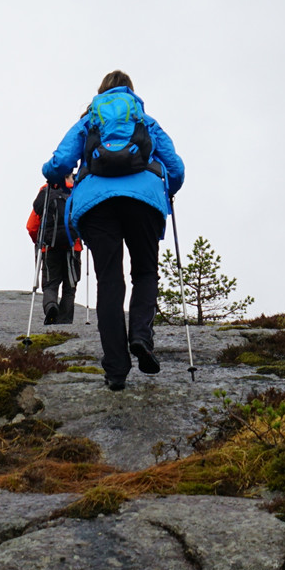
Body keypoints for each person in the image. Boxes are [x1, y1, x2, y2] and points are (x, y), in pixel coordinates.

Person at [42, 70, 185, 390]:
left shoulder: (90, 119)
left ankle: (116, 369)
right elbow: (175, 168)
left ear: (101, 91)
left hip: (96, 205)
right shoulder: (144, 119)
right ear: (131, 92)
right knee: (145, 272)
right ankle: (141, 338)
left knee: (110, 279)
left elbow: (60, 163)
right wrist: (166, 190)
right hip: (143, 201)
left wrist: (49, 172)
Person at [26, 177, 79, 326]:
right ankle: (65, 321)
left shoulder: (46, 191)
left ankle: (51, 306)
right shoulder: (77, 191)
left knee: (50, 284)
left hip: (50, 247)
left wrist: (40, 241)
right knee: (70, 287)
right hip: (73, 248)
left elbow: (31, 226)